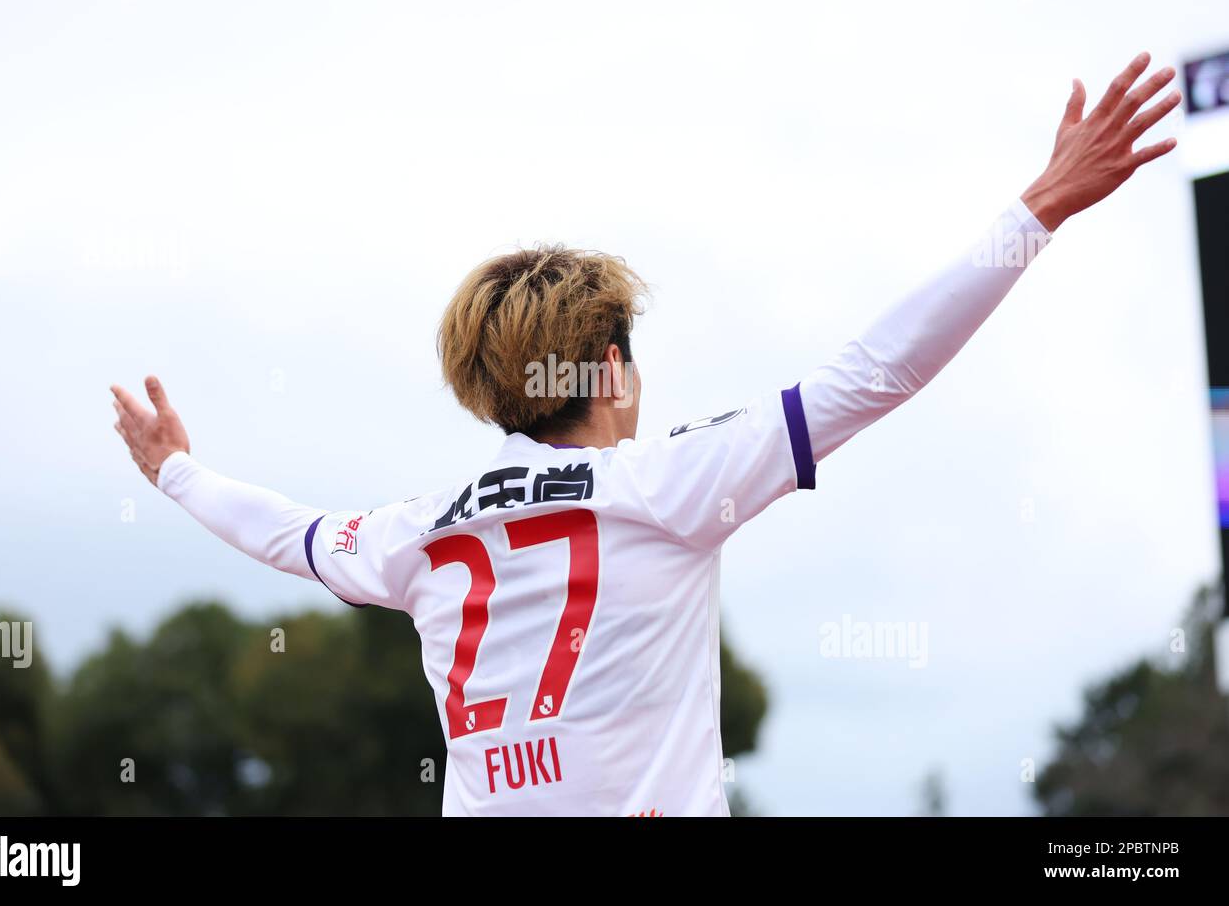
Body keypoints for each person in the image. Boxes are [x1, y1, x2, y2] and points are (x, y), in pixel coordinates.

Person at [112, 53, 1181, 816]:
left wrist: (174, 474)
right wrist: (1038, 206)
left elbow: (284, 533)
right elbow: (875, 371)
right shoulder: (666, 481)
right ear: (610, 367)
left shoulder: (413, 535)